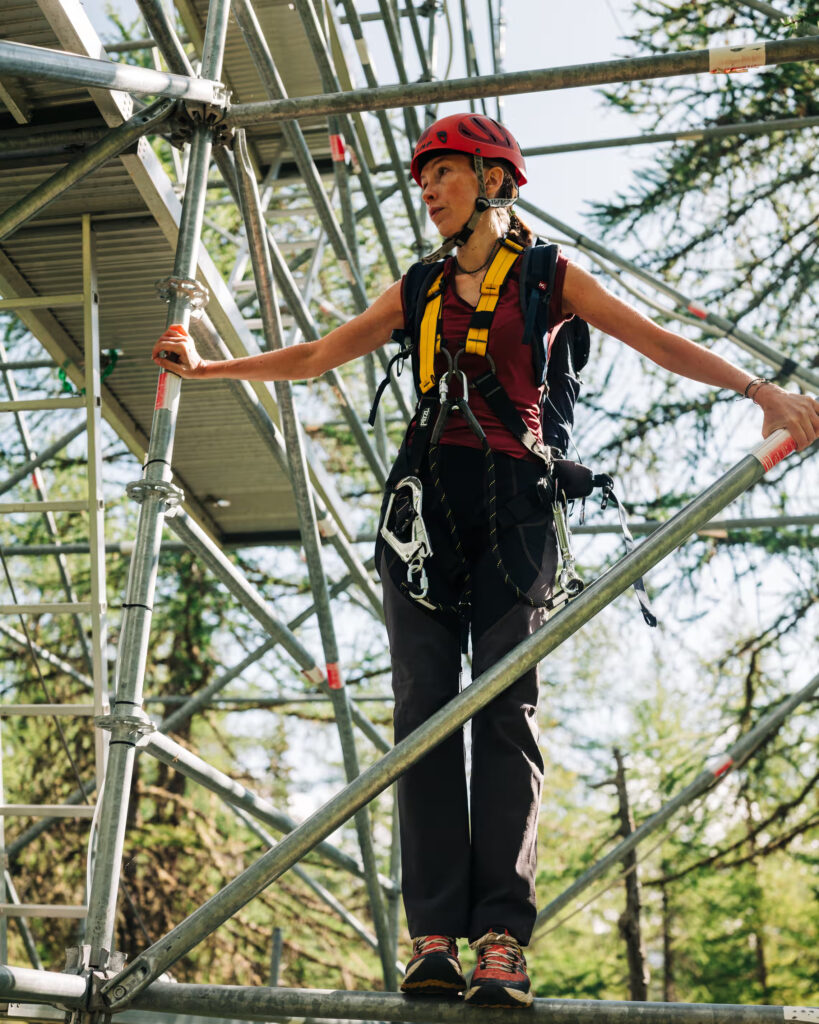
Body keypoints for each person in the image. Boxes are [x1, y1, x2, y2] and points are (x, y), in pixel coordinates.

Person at [152, 113, 819, 1008]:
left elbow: (654, 337)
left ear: (493, 179)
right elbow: (315, 357)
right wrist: (204, 369)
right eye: (421, 178)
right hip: (422, 513)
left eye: (443, 174)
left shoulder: (548, 277)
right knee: (423, 715)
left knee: (505, 709)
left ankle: (501, 938)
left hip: (515, 514)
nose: (425, 190)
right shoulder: (418, 286)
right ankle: (433, 938)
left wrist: (759, 391)